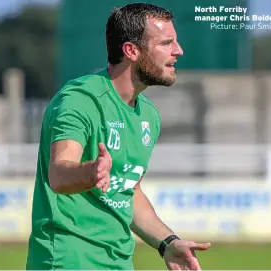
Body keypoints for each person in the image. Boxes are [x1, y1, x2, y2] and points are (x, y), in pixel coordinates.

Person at [26, 3, 211, 270]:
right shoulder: (80, 99)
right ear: (131, 51)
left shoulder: (148, 115)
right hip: (68, 260)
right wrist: (91, 171)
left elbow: (128, 191)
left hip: (119, 262)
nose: (178, 50)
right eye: (167, 43)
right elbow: (59, 174)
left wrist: (167, 242)